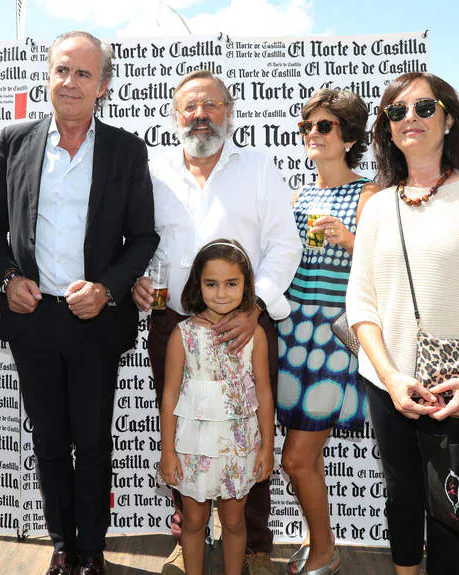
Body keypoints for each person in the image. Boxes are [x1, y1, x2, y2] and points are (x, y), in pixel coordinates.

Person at [0, 30, 158, 575]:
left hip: (96, 322)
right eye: (61, 70)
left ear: (102, 85)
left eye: (83, 73)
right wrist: (7, 277)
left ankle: (93, 550)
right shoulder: (16, 140)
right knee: (50, 442)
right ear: (47, 77)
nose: (70, 82)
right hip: (34, 320)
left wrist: (107, 289)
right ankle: (61, 546)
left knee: (94, 444)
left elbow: (143, 237)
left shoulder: (127, 149)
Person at [346, 72, 459, 574]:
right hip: (389, 384)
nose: (410, 119)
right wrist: (390, 377)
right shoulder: (379, 206)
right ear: (386, 126)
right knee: (403, 497)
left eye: (424, 108)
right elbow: (360, 304)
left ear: (448, 119)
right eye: (397, 111)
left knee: (453, 509)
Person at [132, 69, 301, 575]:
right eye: (189, 107)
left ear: (229, 112)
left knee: (247, 431)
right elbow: (139, 239)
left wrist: (257, 306)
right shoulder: (153, 171)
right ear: (175, 115)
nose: (200, 115)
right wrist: (137, 279)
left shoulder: (259, 168)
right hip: (174, 325)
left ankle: (253, 549)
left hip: (244, 327)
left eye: (211, 105)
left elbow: (285, 245)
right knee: (185, 431)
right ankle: (187, 538)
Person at [277, 89, 379, 575]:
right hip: (292, 333)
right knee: (304, 459)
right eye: (306, 127)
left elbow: (391, 270)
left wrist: (350, 238)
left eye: (324, 127)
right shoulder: (299, 194)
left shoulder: (369, 194)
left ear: (350, 136)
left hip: (335, 339)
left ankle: (325, 552)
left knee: (295, 459)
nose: (311, 135)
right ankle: (321, 544)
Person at [158, 239, 275, 575]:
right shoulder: (182, 335)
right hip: (192, 448)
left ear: (246, 286)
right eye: (211, 284)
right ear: (198, 285)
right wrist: (168, 452)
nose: (221, 293)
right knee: (193, 521)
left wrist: (267, 448)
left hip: (239, 447)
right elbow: (169, 397)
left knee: (235, 522)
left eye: (231, 284)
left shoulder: (256, 336)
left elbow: (264, 394)